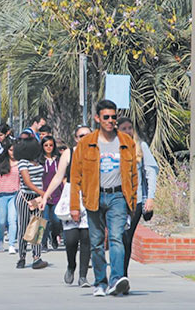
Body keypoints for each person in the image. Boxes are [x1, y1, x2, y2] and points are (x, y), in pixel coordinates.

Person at [70, 99, 137, 297]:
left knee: (117, 238)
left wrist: (132, 201)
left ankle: (116, 279)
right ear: (97, 118)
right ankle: (100, 282)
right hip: (94, 196)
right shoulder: (86, 143)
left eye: (113, 117)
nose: (110, 121)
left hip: (118, 196)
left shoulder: (127, 142)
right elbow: (75, 177)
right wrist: (75, 206)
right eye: (106, 117)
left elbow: (133, 175)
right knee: (97, 242)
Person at [43, 125, 93, 287]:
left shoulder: (97, 153)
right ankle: (71, 266)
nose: (84, 138)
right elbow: (58, 177)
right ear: (76, 138)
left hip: (91, 196)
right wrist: (45, 196)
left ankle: (83, 276)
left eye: (87, 135)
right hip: (72, 195)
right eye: (80, 136)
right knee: (71, 240)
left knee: (86, 238)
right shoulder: (68, 153)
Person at [117, 117, 159, 281]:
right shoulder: (113, 148)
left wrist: (150, 198)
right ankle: (117, 273)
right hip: (116, 199)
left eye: (129, 128)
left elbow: (151, 171)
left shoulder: (141, 147)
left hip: (136, 200)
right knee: (117, 237)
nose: (127, 131)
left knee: (126, 237)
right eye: (123, 128)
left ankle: (122, 274)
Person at [14, 137, 48, 270]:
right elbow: (27, 181)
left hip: (37, 198)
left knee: (37, 226)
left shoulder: (38, 162)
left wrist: (42, 194)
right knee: (23, 227)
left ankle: (37, 257)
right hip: (25, 197)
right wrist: (43, 192)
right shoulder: (22, 162)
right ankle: (21, 256)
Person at [0, 139, 19, 254]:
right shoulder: (1, 162)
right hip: (1, 194)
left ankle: (12, 244)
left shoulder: (21, 163)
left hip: (15, 194)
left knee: (13, 220)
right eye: (11, 150)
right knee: (1, 221)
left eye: (15, 150)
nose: (13, 152)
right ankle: (0, 240)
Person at [40, 135, 62, 252]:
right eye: (46, 145)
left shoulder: (58, 160)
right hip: (43, 195)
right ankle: (43, 243)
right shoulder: (39, 161)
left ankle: (54, 236)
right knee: (45, 221)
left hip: (57, 194)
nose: (48, 147)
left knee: (56, 220)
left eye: (50, 145)